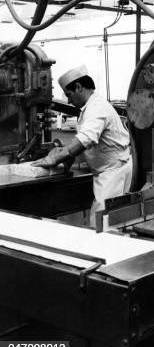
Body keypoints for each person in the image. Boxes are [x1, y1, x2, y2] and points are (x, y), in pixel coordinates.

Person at [32, 65, 133, 227]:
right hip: (107, 170)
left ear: (78, 88)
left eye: (69, 95)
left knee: (101, 225)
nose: (68, 101)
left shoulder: (97, 108)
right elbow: (92, 143)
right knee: (106, 223)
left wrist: (56, 157)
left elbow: (85, 139)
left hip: (113, 173)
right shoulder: (88, 108)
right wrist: (68, 153)